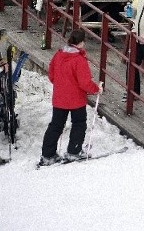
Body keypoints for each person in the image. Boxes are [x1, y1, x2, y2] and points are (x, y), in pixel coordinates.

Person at [39, 29, 103, 165]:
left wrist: (61, 85)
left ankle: (47, 155)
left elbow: (51, 75)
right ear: (81, 42)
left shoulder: (58, 55)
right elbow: (84, 82)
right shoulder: (79, 60)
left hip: (59, 97)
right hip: (76, 99)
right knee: (79, 124)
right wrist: (96, 89)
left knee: (55, 125)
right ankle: (74, 151)